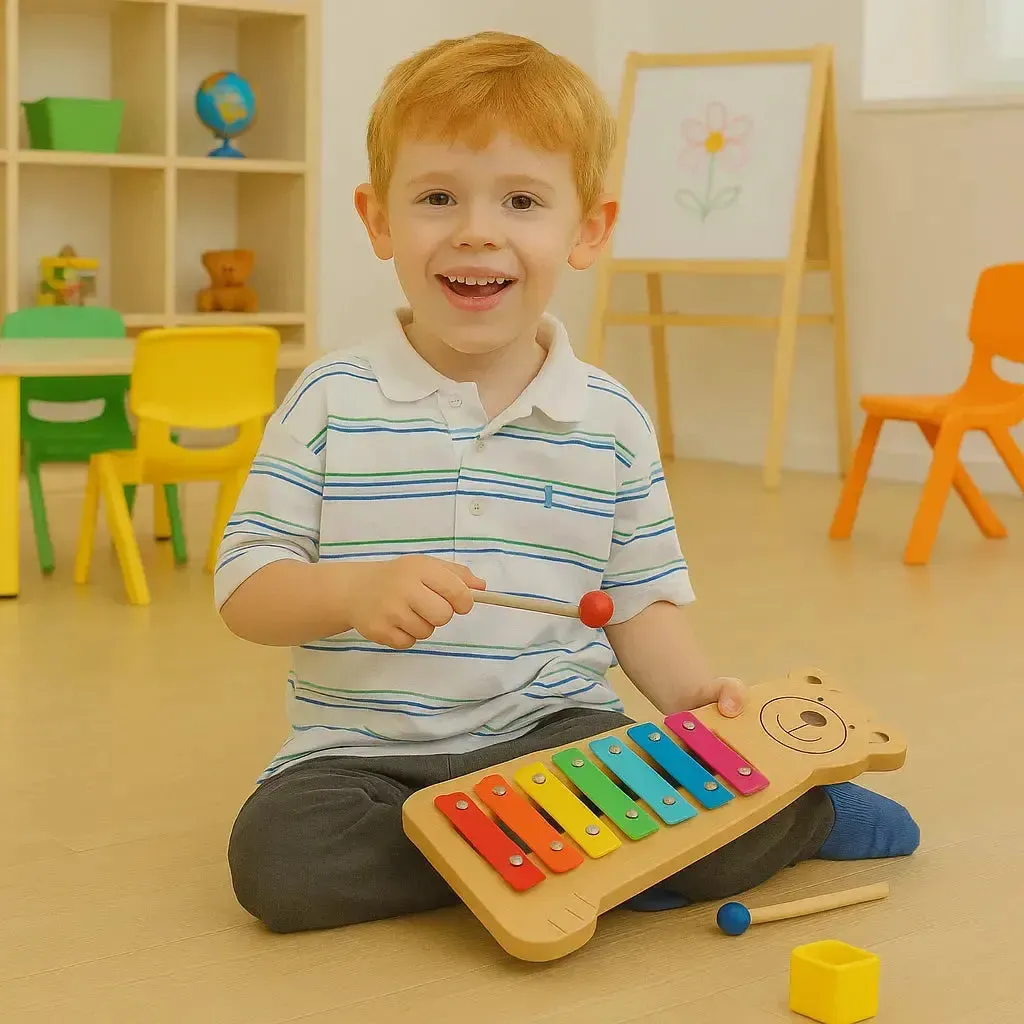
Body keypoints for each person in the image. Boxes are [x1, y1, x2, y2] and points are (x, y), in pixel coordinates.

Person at [216, 31, 919, 933]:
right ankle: (596, 860)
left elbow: (636, 599)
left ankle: (792, 818)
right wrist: (350, 592)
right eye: (437, 197)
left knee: (681, 797)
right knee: (281, 862)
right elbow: (246, 589)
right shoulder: (329, 400)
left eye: (521, 200)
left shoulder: (611, 421)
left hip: (557, 742)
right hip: (364, 755)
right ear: (379, 218)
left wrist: (691, 698)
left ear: (587, 229)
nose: (477, 229)